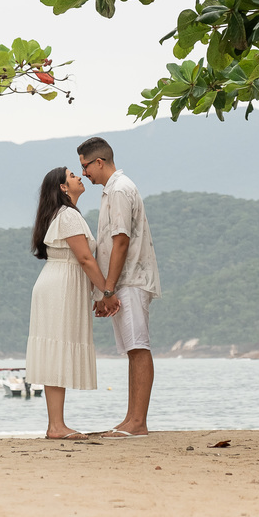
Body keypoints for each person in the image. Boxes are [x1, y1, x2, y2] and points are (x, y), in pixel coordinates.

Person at [25, 166, 117, 440]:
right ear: (64, 188)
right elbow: (86, 259)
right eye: (72, 176)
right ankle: (56, 426)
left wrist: (100, 293)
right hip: (60, 286)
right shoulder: (68, 216)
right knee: (56, 349)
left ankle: (56, 424)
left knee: (56, 349)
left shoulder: (64, 215)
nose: (79, 177)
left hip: (59, 282)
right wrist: (107, 292)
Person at [77, 137, 161, 438]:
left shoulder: (121, 189)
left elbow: (121, 241)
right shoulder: (111, 191)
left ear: (99, 162)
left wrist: (108, 289)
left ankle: (138, 423)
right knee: (131, 349)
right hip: (121, 282)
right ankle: (130, 419)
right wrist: (105, 291)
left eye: (85, 166)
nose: (84, 173)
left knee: (139, 347)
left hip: (130, 280)